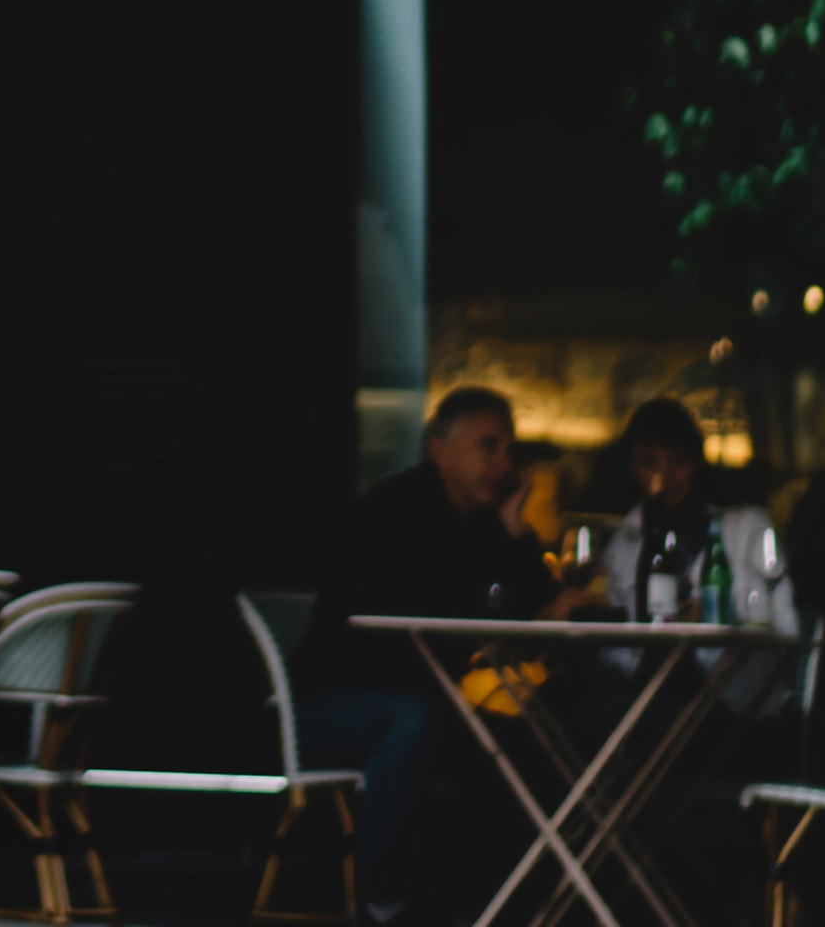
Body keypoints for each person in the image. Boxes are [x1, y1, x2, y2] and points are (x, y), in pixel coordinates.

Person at [294, 387, 560, 925]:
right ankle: (386, 905)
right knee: (414, 721)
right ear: (440, 448)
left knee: (527, 739)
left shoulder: (485, 521)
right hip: (336, 699)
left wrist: (515, 525)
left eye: (509, 450)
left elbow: (534, 604)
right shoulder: (395, 509)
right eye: (490, 447)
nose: (505, 464)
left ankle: (515, 906)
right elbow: (407, 618)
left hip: (433, 697)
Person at [594, 397, 797, 704]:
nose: (666, 476)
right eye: (651, 463)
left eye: (679, 461)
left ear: (697, 462)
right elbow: (619, 649)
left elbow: (783, 627)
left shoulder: (746, 528)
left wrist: (717, 616)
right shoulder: (625, 542)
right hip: (646, 696)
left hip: (731, 701)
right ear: (632, 467)